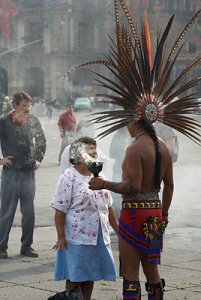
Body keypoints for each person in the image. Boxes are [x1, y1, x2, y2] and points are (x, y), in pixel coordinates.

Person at [76, 1, 201, 299]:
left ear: (136, 119)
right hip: (155, 211)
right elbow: (169, 184)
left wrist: (103, 184)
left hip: (134, 214)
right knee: (153, 271)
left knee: (130, 273)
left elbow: (131, 186)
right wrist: (165, 213)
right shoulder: (162, 147)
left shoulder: (135, 150)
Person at [49, 137, 118, 300]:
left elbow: (108, 206)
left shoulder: (99, 174)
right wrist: (61, 237)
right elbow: (59, 210)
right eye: (89, 149)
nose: (94, 152)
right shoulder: (69, 176)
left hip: (98, 234)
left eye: (95, 148)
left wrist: (118, 230)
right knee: (75, 276)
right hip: (77, 238)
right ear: (78, 155)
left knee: (90, 274)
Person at [0, 91, 46, 259]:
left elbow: (41, 141)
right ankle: (1, 247)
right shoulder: (4, 122)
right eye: (23, 106)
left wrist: (39, 159)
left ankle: (26, 246)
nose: (27, 109)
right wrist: (0, 160)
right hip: (10, 174)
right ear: (14, 106)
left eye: (29, 106)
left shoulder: (33, 121)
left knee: (29, 213)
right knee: (6, 212)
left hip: (28, 173)